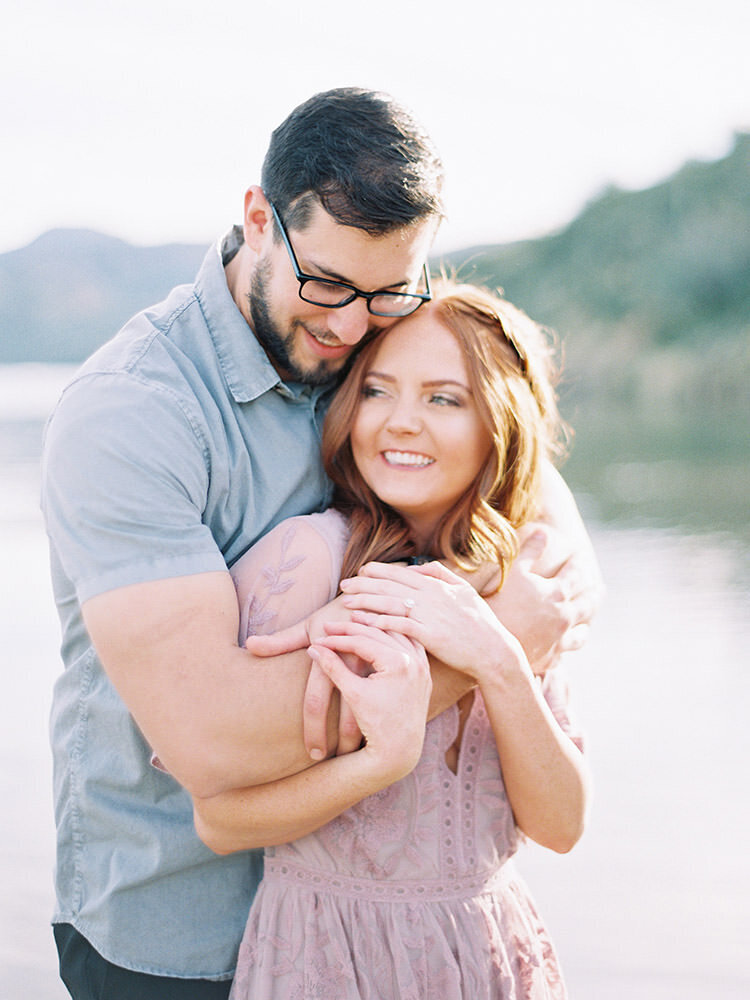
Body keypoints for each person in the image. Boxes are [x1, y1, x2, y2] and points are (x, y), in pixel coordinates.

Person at [41, 88, 600, 999]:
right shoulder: (132, 415)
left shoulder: (380, 352)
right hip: (178, 927)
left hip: (383, 933)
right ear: (259, 219)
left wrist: (523, 615)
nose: (349, 326)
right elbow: (213, 742)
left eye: (386, 292)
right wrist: (491, 653)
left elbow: (535, 504)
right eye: (328, 285)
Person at [192, 281, 590, 999]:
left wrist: (500, 661)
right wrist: (384, 760)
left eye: (444, 398)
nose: (401, 422)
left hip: (487, 954)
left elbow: (561, 828)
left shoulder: (524, 578)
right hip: (331, 956)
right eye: (377, 391)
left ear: (500, 422)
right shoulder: (311, 558)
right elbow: (219, 819)